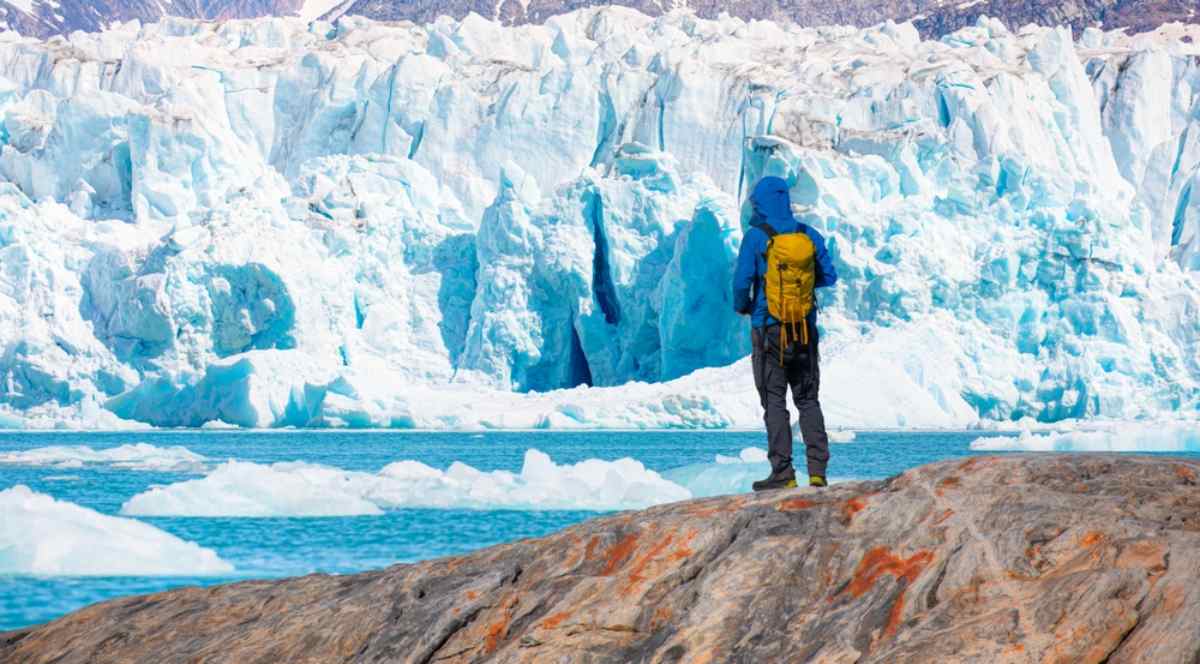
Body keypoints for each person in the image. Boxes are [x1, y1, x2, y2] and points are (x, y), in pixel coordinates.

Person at [732, 176, 838, 491]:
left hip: (768, 330)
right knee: (808, 399)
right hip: (804, 329)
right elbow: (829, 276)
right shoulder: (809, 234)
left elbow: (741, 282)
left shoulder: (755, 237)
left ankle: (783, 473)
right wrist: (801, 287)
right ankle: (818, 473)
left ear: (760, 203)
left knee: (774, 401)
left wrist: (746, 306)